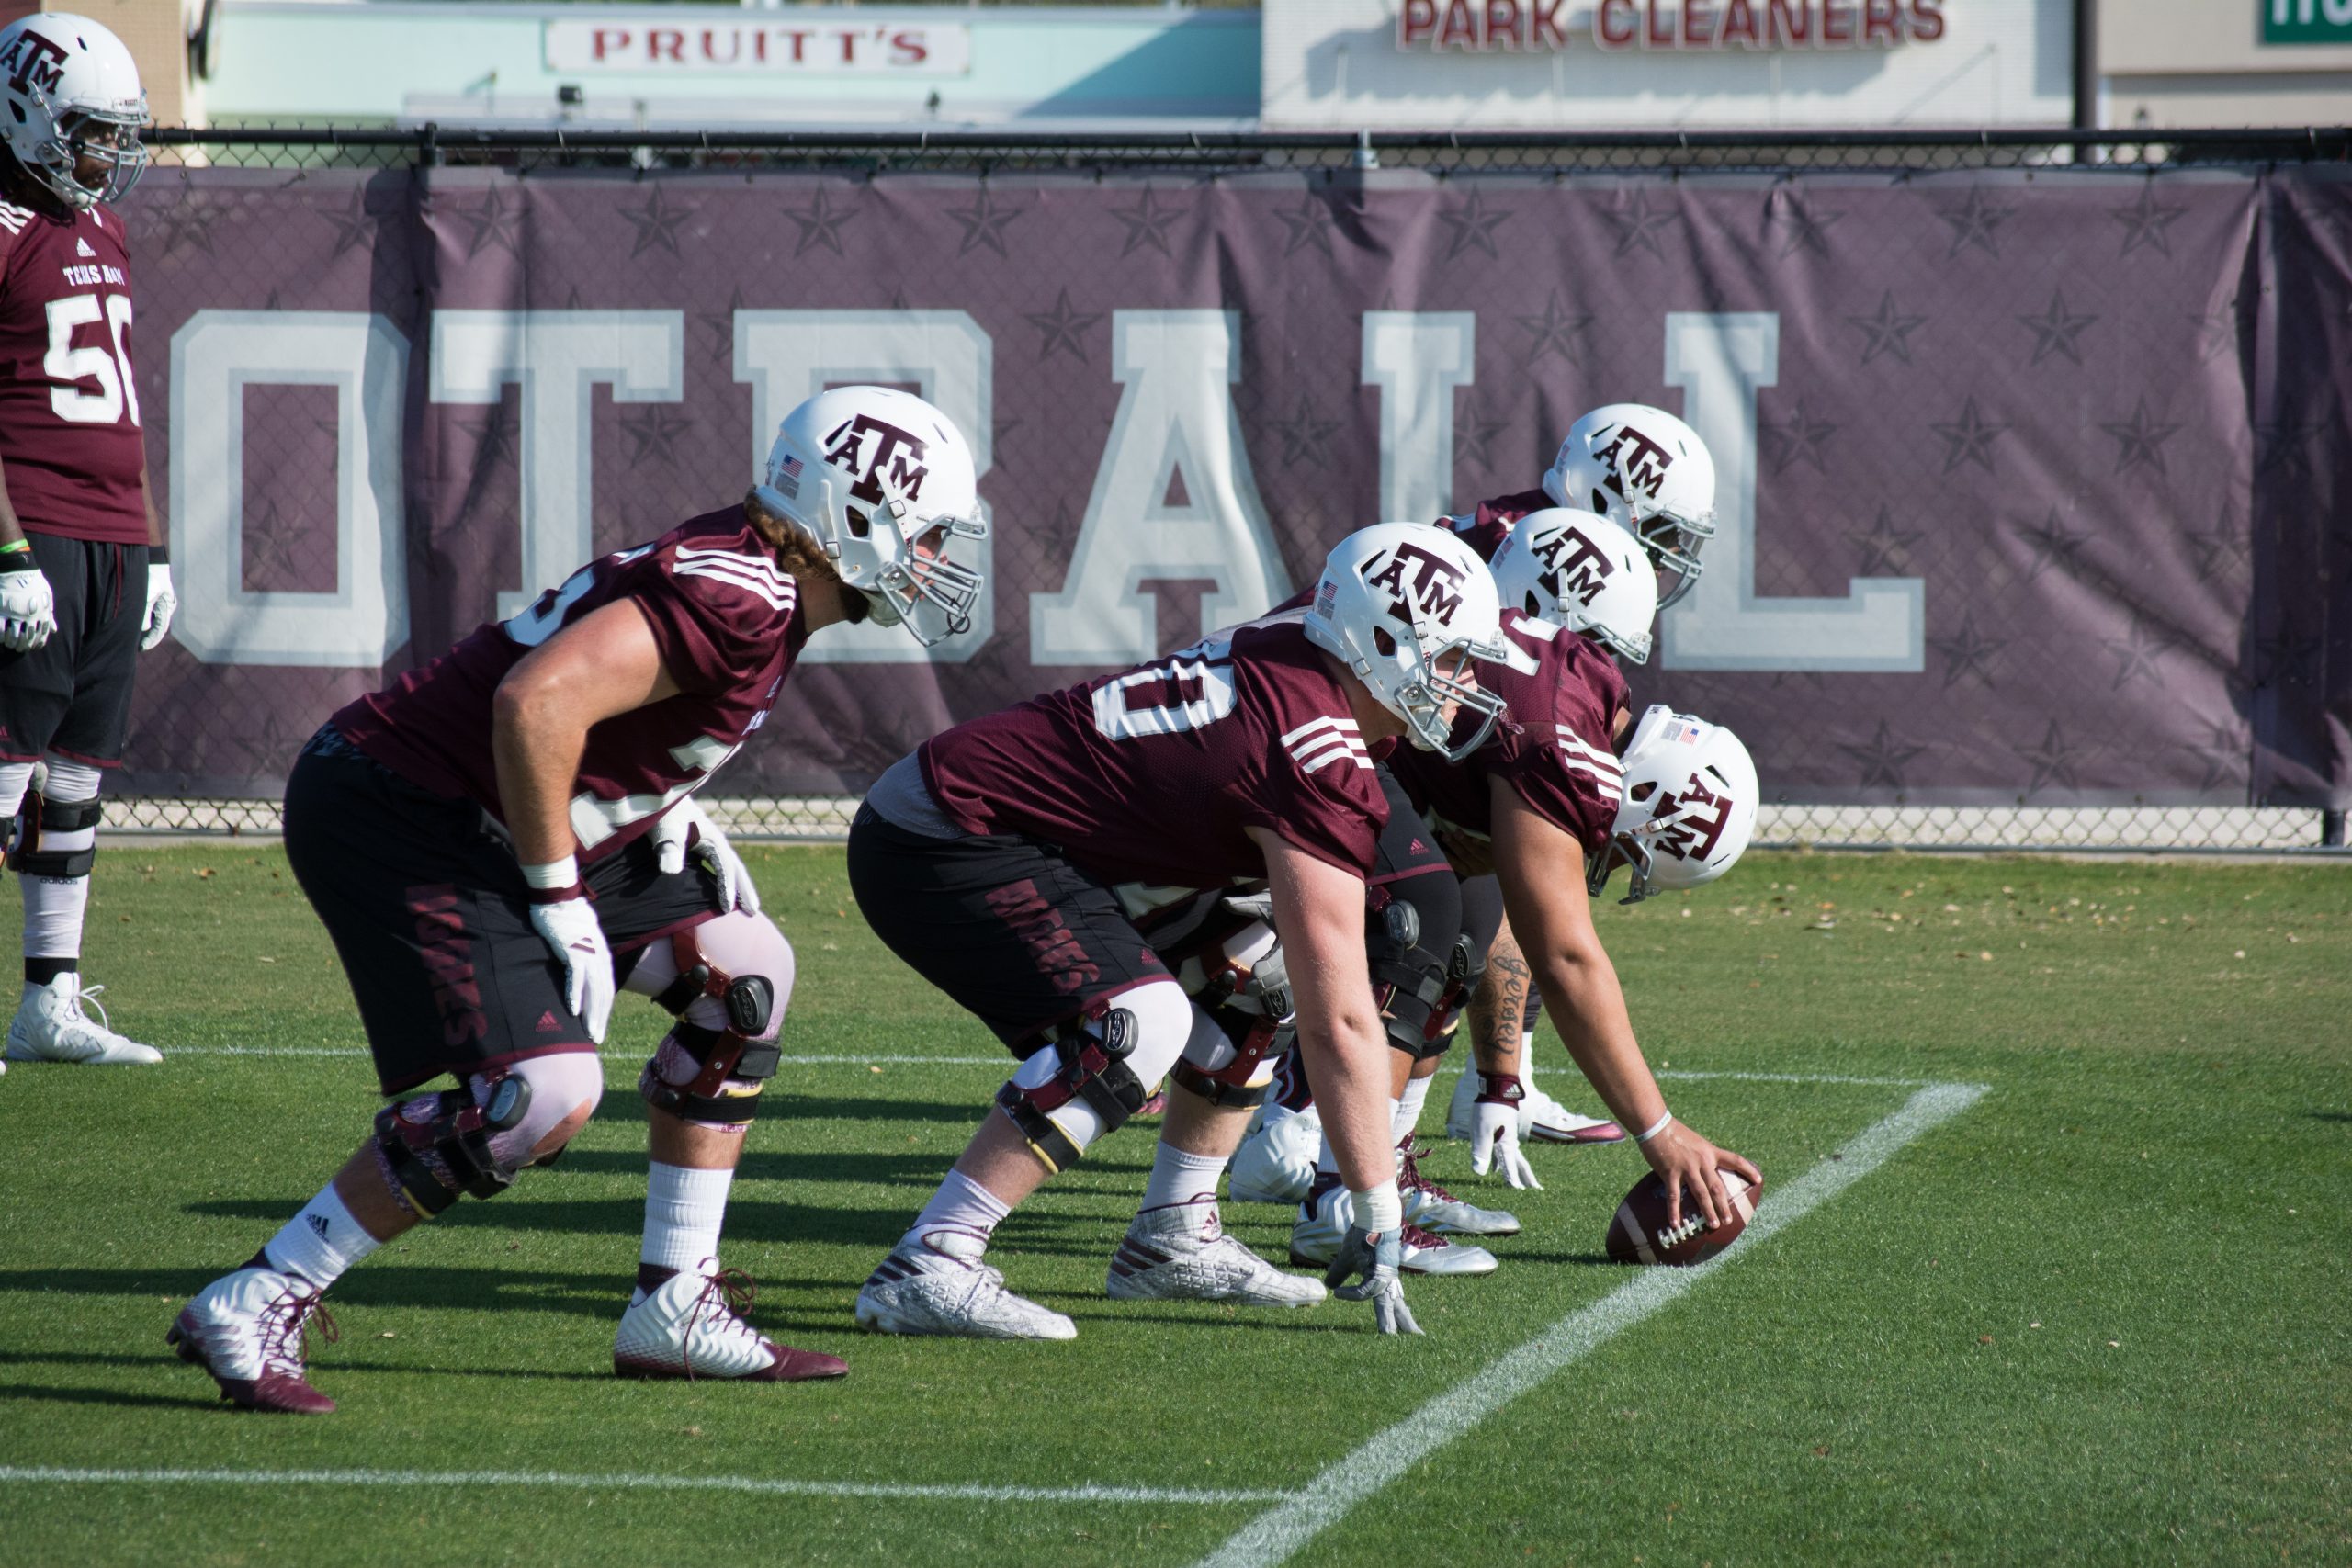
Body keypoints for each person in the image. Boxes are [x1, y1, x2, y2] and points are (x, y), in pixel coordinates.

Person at [168, 386, 989, 1411]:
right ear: (851, 516)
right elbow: (537, 698)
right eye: (922, 534)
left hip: (495, 802)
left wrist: (663, 803)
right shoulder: (746, 595)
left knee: (744, 976)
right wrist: (560, 897)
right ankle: (261, 1290)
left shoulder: (763, 577)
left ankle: (673, 1304)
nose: (931, 560)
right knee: (540, 1097)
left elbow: (603, 708)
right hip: (404, 806)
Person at [847, 522, 1524, 1339]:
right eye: (1450, 658)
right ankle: (933, 1257)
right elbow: (1340, 1015)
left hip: (1050, 837)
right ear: (1383, 642)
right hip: (947, 833)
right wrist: (1374, 1200)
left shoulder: (1306, 648)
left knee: (1252, 974)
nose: (1463, 683)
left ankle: (1172, 1235)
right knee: (1139, 1026)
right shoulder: (1315, 751)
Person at [0, 14, 172, 1069]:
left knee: (74, 783)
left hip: (110, 538)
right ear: (24, 112)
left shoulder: (100, 228)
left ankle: (46, 1005)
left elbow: (126, 406)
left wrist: (152, 548)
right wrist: (9, 554)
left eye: (114, 134)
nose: (107, 154)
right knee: (5, 772)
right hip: (40, 527)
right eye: (90, 131)